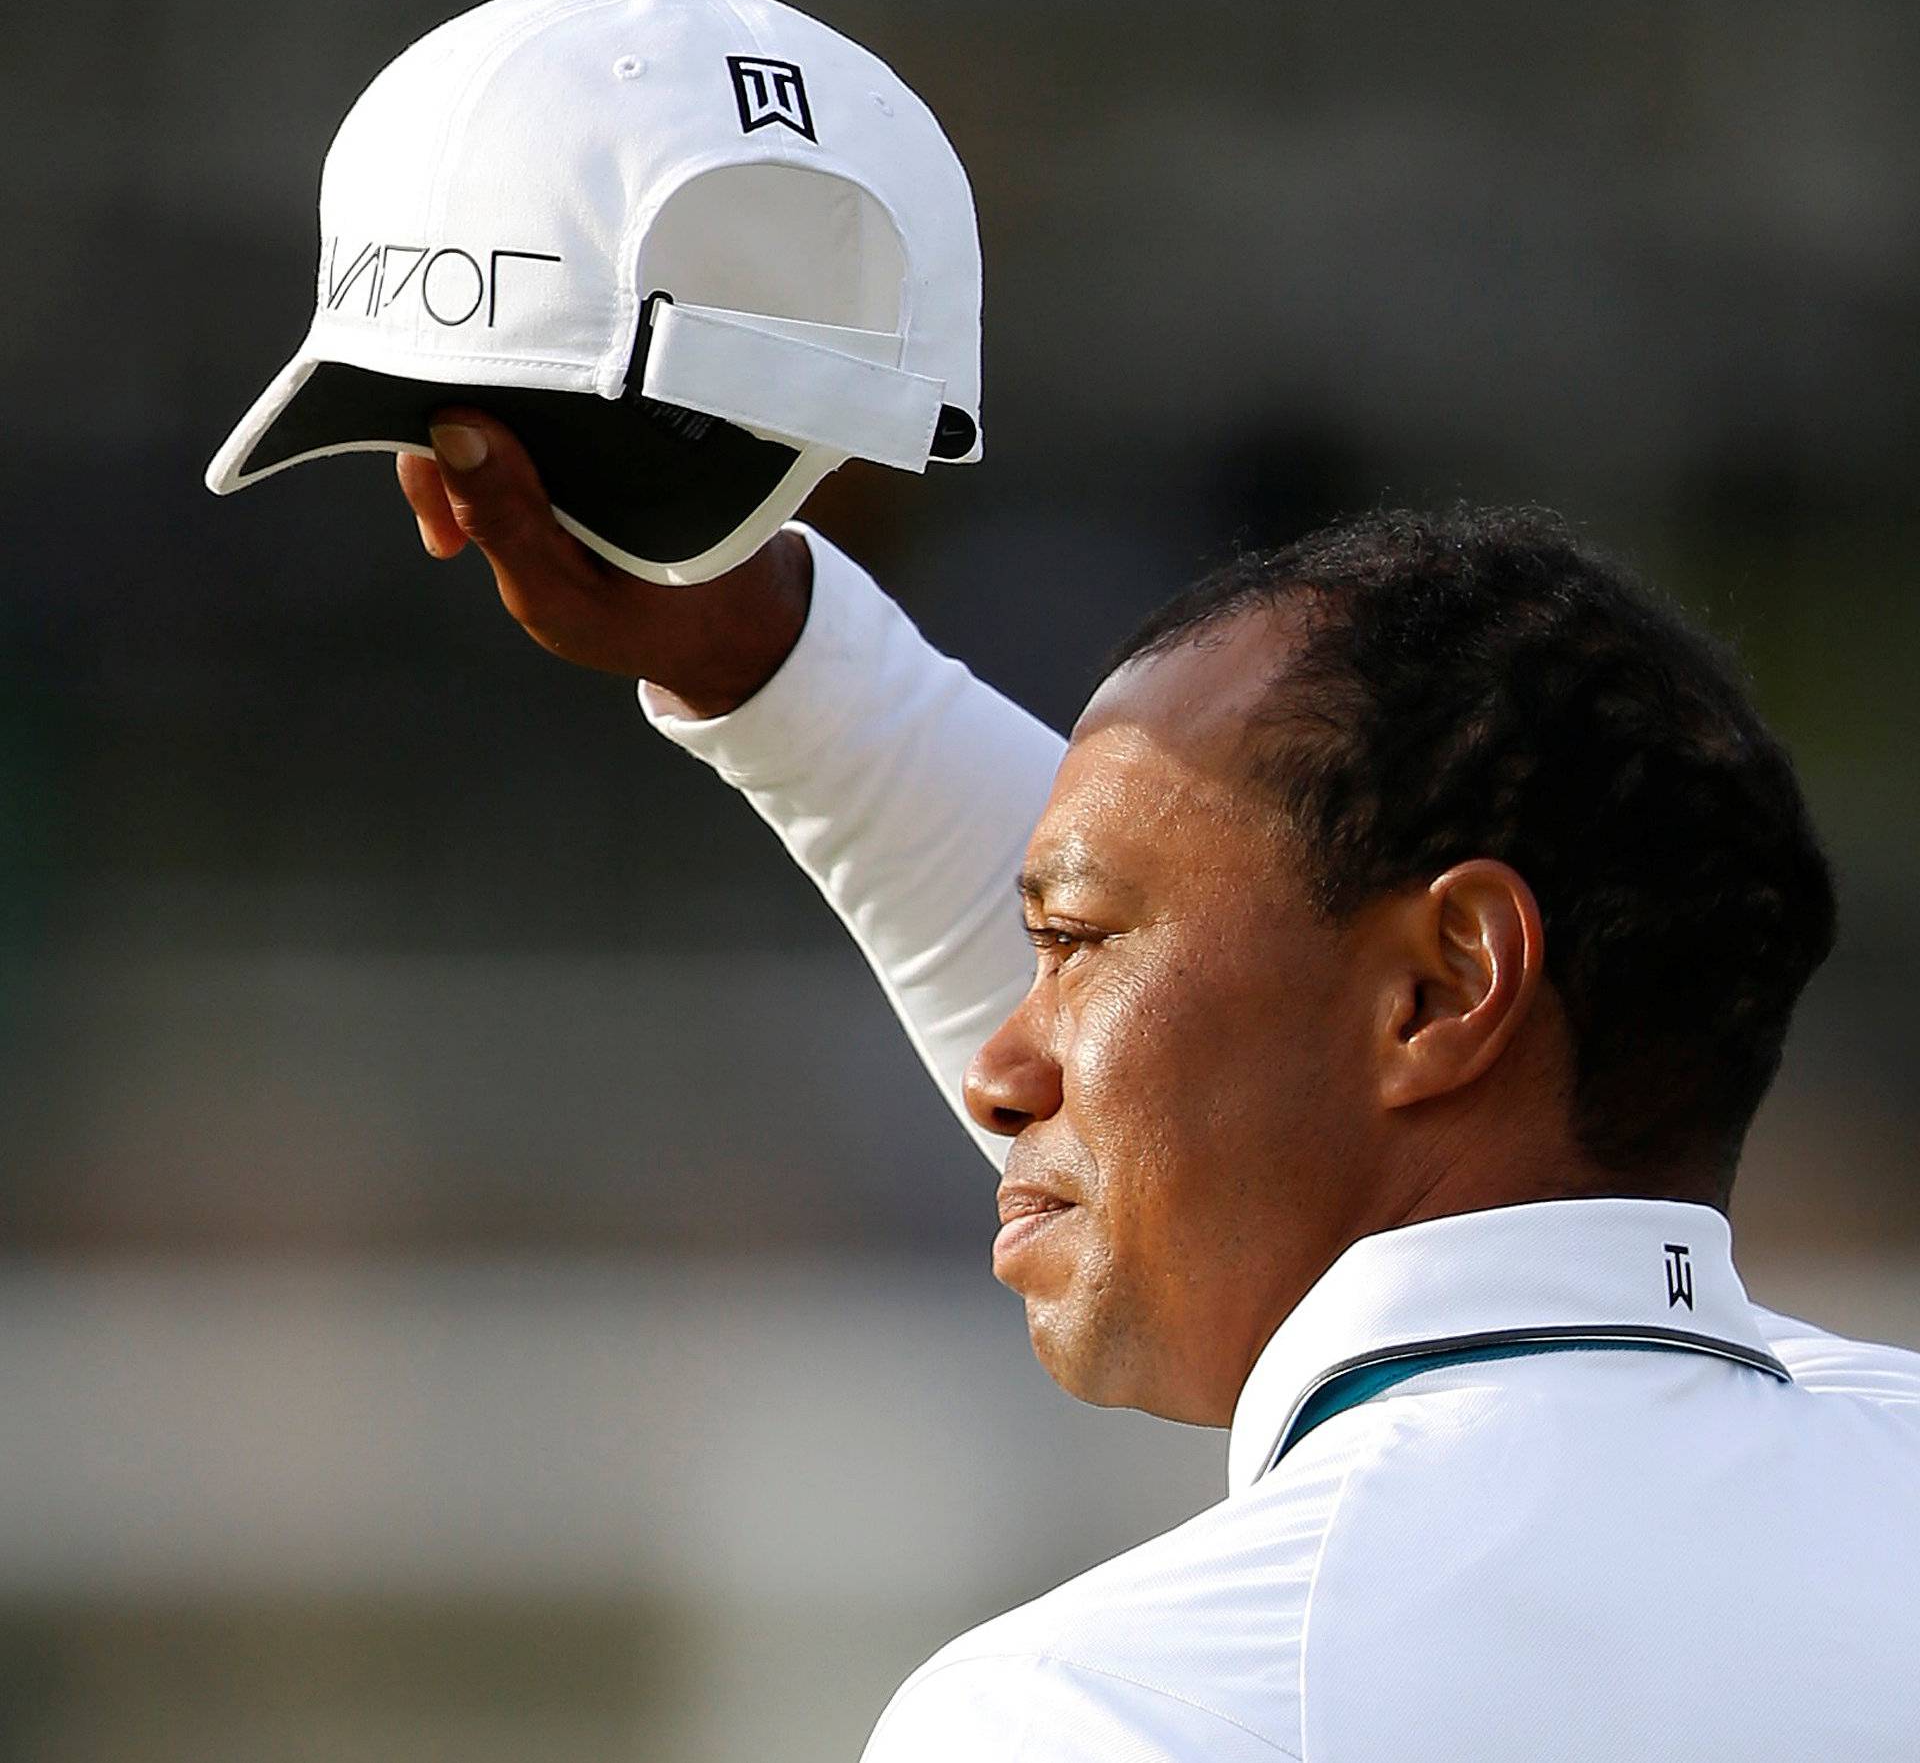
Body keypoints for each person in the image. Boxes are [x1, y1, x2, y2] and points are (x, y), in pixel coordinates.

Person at [399, 413, 1920, 1762]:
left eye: (1072, 945)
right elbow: (1253, 1019)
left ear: (1446, 987)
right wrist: (792, 674)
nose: (1004, 1067)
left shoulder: (1092, 1713)